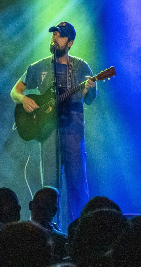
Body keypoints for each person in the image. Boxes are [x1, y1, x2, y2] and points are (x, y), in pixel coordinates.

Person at [11, 22, 96, 223]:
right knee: (49, 186)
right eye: (54, 35)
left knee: (77, 185)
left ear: (70, 42)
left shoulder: (81, 66)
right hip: (48, 133)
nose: (55, 38)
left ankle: (82, 229)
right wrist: (24, 99)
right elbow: (15, 91)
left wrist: (88, 88)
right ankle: (48, 230)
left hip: (74, 132)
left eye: (60, 36)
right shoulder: (38, 67)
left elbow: (90, 99)